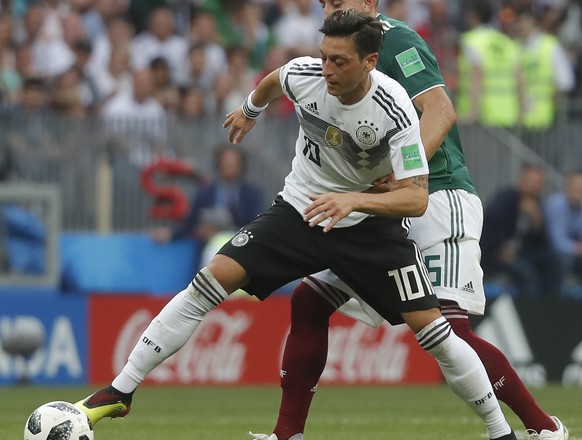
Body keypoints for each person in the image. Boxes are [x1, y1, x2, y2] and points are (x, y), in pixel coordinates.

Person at [75, 10, 516, 440]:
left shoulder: (394, 108)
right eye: (324, 56)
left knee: (437, 334)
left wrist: (354, 201)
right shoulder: (304, 74)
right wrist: (249, 110)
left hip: (367, 227)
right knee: (208, 284)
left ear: (369, 62)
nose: (326, 69)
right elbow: (272, 81)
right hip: (299, 211)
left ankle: (501, 433)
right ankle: (120, 390)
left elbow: (416, 198)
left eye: (339, 61)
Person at [250, 2, 568, 440]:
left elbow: (440, 111)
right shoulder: (339, 49)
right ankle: (287, 435)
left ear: (370, 3)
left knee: (449, 329)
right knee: (310, 300)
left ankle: (543, 429)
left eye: (341, 1)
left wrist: (405, 176)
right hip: (381, 208)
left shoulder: (394, 38)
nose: (331, 7)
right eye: (325, 1)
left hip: (437, 196)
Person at [151, 144, 265, 268]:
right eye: (226, 161)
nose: (230, 166)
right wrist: (172, 234)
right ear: (218, 163)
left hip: (242, 251)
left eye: (234, 162)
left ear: (241, 165)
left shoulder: (252, 193)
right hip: (209, 252)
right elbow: (191, 222)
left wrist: (224, 229)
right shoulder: (206, 192)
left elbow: (256, 225)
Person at [481, 164, 562, 298]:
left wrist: (537, 223)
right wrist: (502, 248)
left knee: (554, 262)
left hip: (523, 252)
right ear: (521, 180)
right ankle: (530, 312)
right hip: (497, 254)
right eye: (530, 181)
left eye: (537, 183)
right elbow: (492, 226)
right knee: (526, 273)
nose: (533, 186)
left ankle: (552, 307)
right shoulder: (506, 198)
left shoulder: (539, 205)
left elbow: (543, 242)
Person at [456, 0, 522, 128]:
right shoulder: (506, 41)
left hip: (484, 119)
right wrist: (521, 114)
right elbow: (519, 78)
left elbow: (476, 76)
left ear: (472, 15)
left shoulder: (471, 40)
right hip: (509, 115)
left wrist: (472, 113)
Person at [544, 170, 582, 297]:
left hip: (575, 252)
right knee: (562, 260)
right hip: (552, 251)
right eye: (575, 188)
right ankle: (559, 302)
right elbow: (557, 242)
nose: (578, 192)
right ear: (567, 188)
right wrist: (577, 248)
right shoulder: (556, 204)